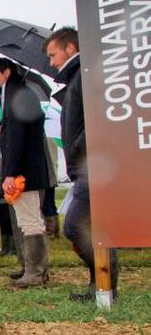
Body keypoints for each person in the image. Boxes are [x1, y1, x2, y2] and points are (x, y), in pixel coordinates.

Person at [44, 27, 119, 301]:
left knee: (75, 226)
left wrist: (76, 149)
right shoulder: (76, 78)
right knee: (90, 228)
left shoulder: (84, 77)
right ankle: (100, 286)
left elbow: (98, 118)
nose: (51, 62)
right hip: (85, 165)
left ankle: (105, 284)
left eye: (53, 55)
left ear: (70, 48)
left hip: (90, 165)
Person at [0, 58, 50, 289]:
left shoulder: (16, 95)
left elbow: (18, 140)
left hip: (25, 172)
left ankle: (35, 273)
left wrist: (10, 173)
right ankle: (31, 269)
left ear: (7, 72)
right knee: (28, 221)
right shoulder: (16, 95)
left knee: (31, 221)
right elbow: (13, 137)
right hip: (27, 169)